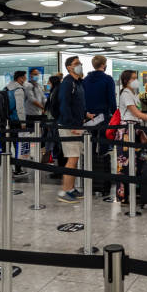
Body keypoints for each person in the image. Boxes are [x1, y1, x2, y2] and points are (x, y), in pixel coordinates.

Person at [116, 70, 147, 203]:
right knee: (125, 164)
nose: (136, 81)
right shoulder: (126, 94)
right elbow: (136, 113)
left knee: (138, 162)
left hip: (136, 130)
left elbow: (138, 116)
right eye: (133, 78)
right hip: (127, 132)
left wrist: (142, 132)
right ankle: (123, 195)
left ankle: (136, 191)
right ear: (127, 80)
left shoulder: (135, 94)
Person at [57, 56, 94, 203]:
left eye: (80, 63)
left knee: (75, 157)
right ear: (69, 67)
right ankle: (64, 191)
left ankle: (71, 188)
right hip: (69, 126)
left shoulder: (77, 82)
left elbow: (75, 104)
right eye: (76, 64)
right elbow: (64, 105)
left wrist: (85, 114)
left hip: (77, 124)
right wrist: (71, 124)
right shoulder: (67, 83)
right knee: (72, 158)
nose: (79, 65)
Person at [3, 70, 28, 176]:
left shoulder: (6, 87)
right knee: (18, 144)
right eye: (24, 77)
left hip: (5, 120)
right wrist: (23, 122)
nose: (25, 79)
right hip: (15, 120)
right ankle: (18, 169)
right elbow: (20, 108)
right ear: (20, 78)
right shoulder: (18, 90)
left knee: (7, 144)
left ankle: (6, 168)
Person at [44, 75, 63, 171]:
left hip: (54, 121)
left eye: (49, 82)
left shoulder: (56, 91)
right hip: (53, 121)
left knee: (56, 145)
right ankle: (58, 167)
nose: (48, 84)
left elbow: (54, 107)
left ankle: (59, 168)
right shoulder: (55, 90)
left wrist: (52, 120)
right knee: (55, 145)